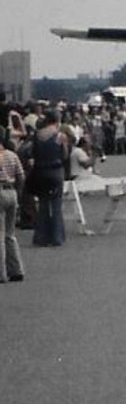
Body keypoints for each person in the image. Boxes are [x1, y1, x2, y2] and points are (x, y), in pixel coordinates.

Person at [31, 110, 71, 247]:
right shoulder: (60, 136)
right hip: (55, 171)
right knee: (56, 205)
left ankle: (41, 237)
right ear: (57, 120)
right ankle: (57, 237)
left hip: (41, 171)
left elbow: (34, 153)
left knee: (42, 204)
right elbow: (65, 155)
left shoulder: (37, 135)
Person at [0, 139, 25, 282]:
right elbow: (21, 176)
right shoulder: (11, 155)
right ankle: (16, 270)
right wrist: (18, 192)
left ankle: (1, 273)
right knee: (10, 234)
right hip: (11, 191)